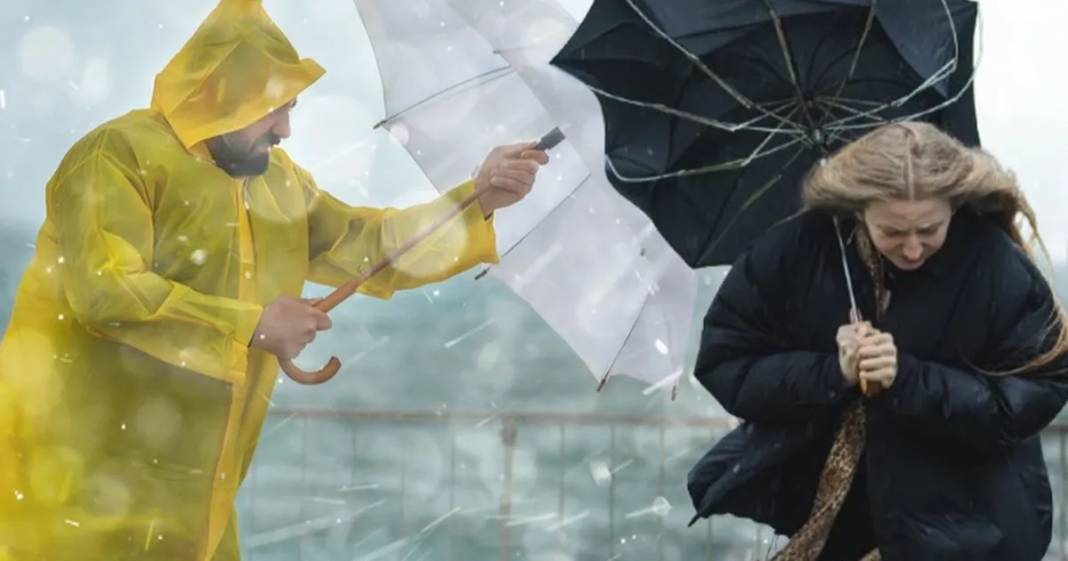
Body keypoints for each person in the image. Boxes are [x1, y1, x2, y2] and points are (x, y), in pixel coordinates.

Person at [0, 0, 548, 559]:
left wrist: (477, 197)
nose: (286, 128)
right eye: (274, 109)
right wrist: (253, 325)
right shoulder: (115, 157)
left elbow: (371, 245)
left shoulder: (276, 183)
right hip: (75, 503)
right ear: (220, 96)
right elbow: (105, 290)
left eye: (292, 107)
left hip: (199, 512)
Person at [686, 121, 1068, 561]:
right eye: (891, 231)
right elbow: (726, 363)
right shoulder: (795, 250)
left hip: (965, 534)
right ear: (858, 209)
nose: (911, 248)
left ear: (954, 207)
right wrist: (834, 372)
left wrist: (906, 378)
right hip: (833, 529)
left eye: (929, 229)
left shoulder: (996, 267)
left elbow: (1032, 397)